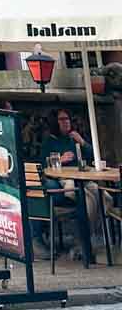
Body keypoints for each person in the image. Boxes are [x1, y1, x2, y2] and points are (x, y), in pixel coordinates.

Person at [40, 108, 100, 257]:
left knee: (102, 196)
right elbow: (42, 164)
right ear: (56, 122)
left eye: (67, 119)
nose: (66, 122)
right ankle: (83, 242)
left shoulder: (75, 138)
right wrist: (60, 159)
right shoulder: (50, 141)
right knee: (88, 200)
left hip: (83, 177)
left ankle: (83, 240)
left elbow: (95, 156)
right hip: (65, 181)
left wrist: (82, 142)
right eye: (62, 119)